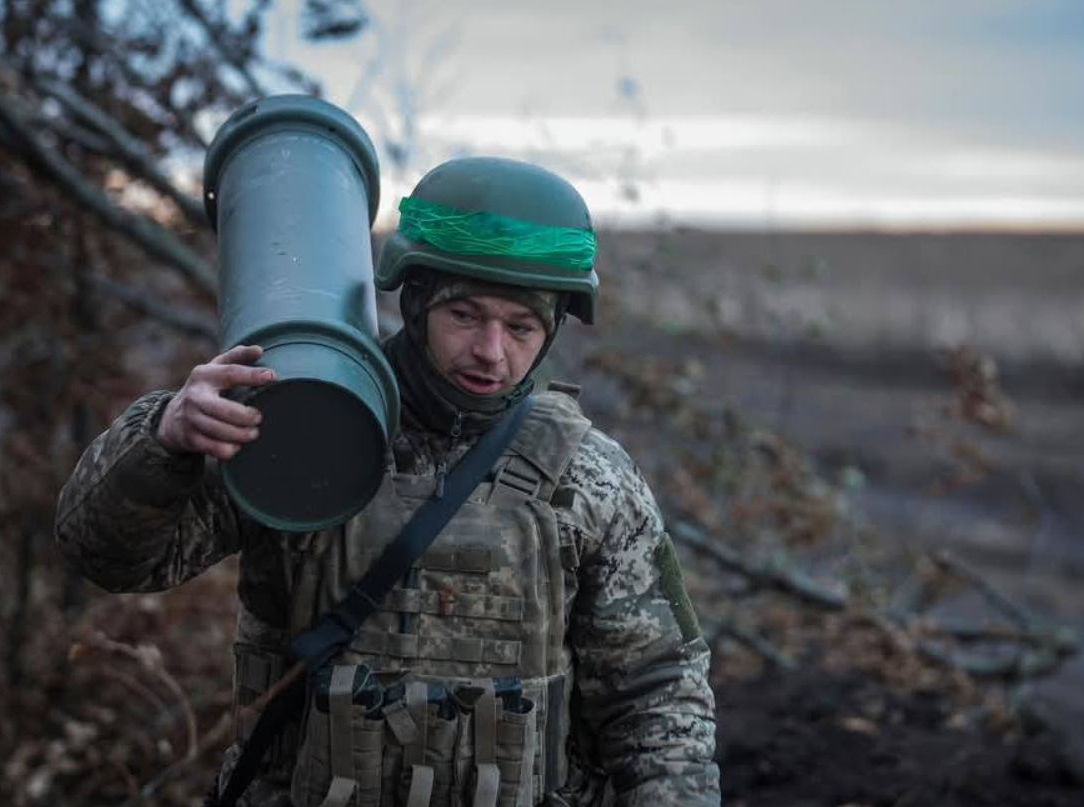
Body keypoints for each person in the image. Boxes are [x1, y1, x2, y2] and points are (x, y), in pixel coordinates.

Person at [55, 156, 720, 806]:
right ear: (417, 298)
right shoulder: (310, 424)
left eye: (520, 327)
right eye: (465, 316)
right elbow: (108, 557)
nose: (492, 352)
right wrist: (164, 439)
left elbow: (657, 689)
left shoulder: (591, 476)